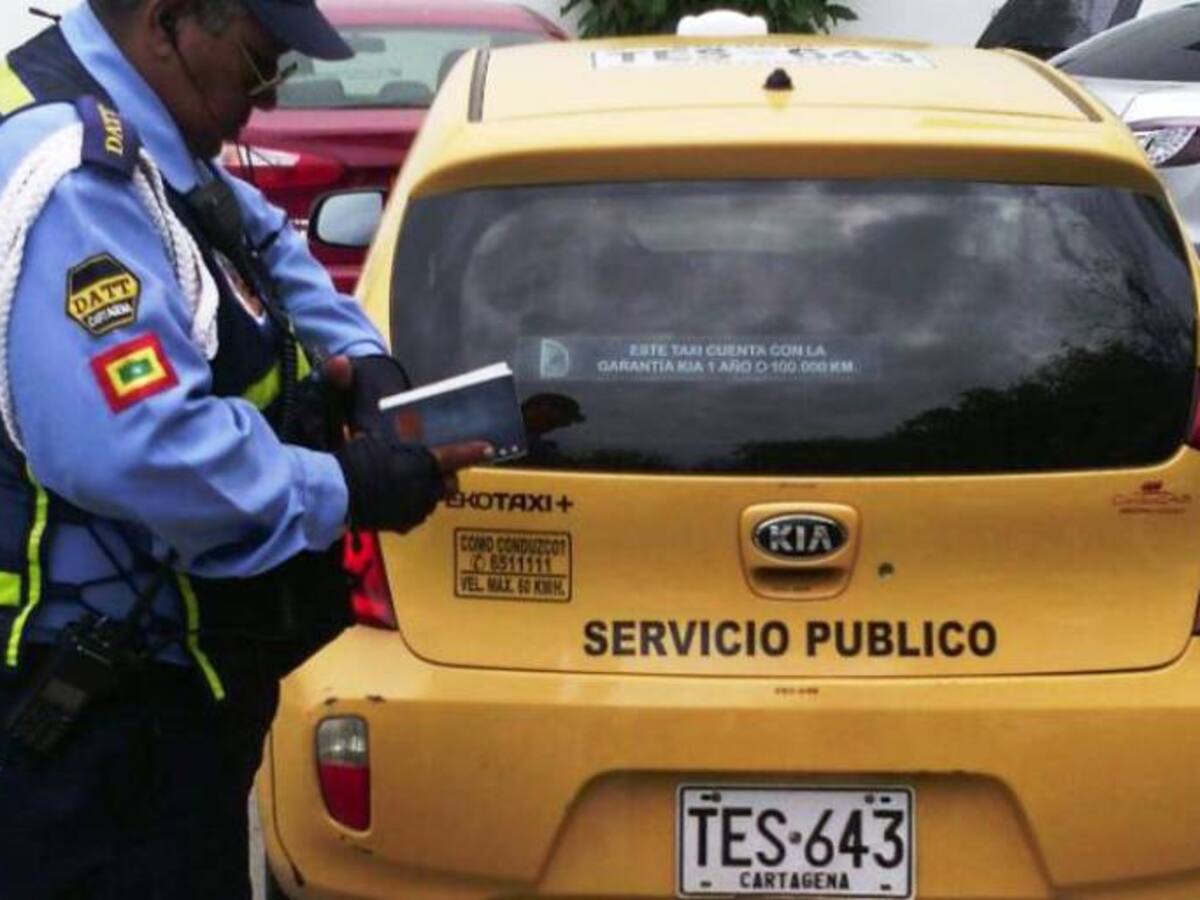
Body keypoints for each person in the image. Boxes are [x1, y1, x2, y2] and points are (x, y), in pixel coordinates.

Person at [0, 0, 491, 896]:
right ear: (171, 22)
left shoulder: (153, 143)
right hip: (87, 726)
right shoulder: (77, 177)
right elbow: (137, 447)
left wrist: (366, 358)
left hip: (159, 695)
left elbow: (257, 236)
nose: (264, 100)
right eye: (262, 64)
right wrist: (346, 484)